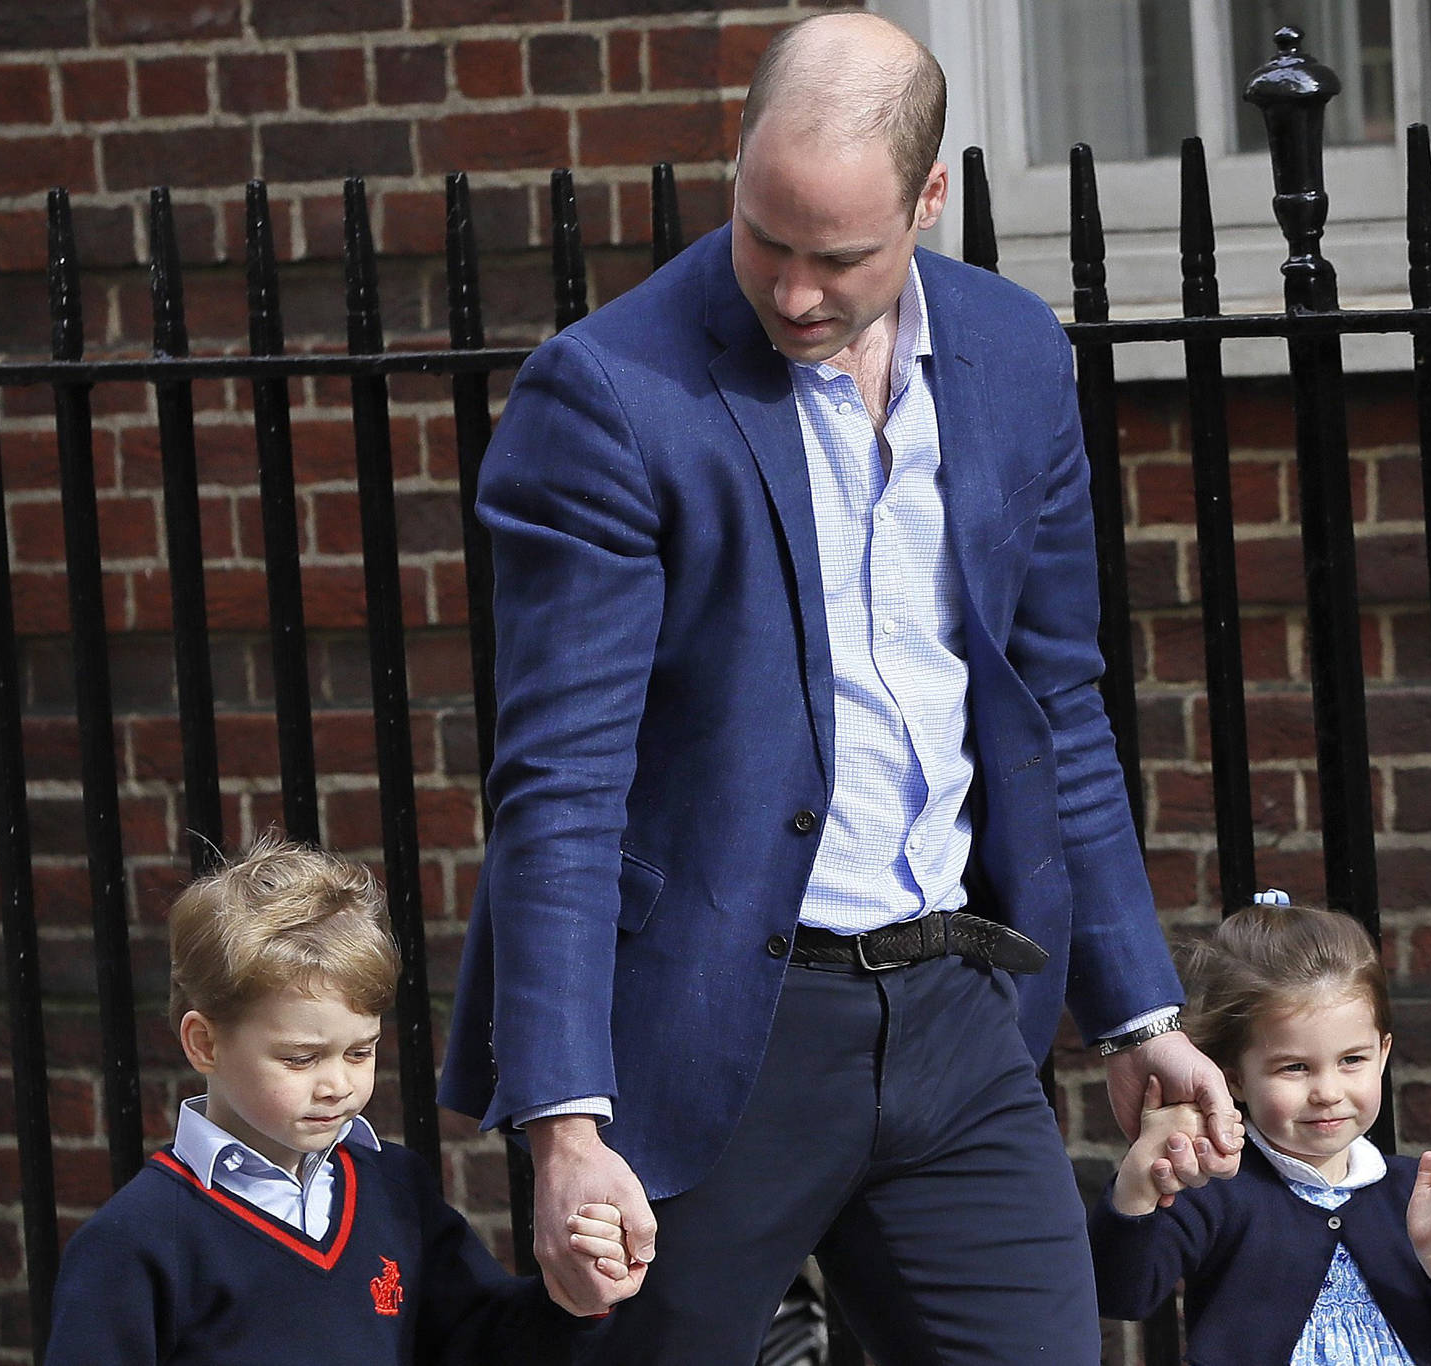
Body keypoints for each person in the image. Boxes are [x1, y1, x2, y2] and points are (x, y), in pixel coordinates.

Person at [437, 11, 1244, 1362]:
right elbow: (561, 785)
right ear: (740, 167)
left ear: (929, 201)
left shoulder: (1013, 356)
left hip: (958, 1021)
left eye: (840, 258)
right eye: (767, 239)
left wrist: (1136, 1005)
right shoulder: (610, 397)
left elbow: (1055, 701)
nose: (796, 294)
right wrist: (566, 1129)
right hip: (709, 1038)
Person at [43, 834, 632, 1365]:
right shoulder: (133, 1242)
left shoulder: (396, 1190)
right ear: (204, 1043)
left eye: (360, 1052)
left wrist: (570, 1301)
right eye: (300, 1058)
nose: (338, 1085)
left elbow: (484, 1343)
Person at [1088, 894, 1431, 1365]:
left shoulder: (1409, 1192)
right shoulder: (1216, 1187)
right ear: (1233, 1076)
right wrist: (1138, 1182)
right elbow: (1122, 1295)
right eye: (1295, 1067)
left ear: (1383, 1053)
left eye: (1351, 1060)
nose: (1327, 1091)